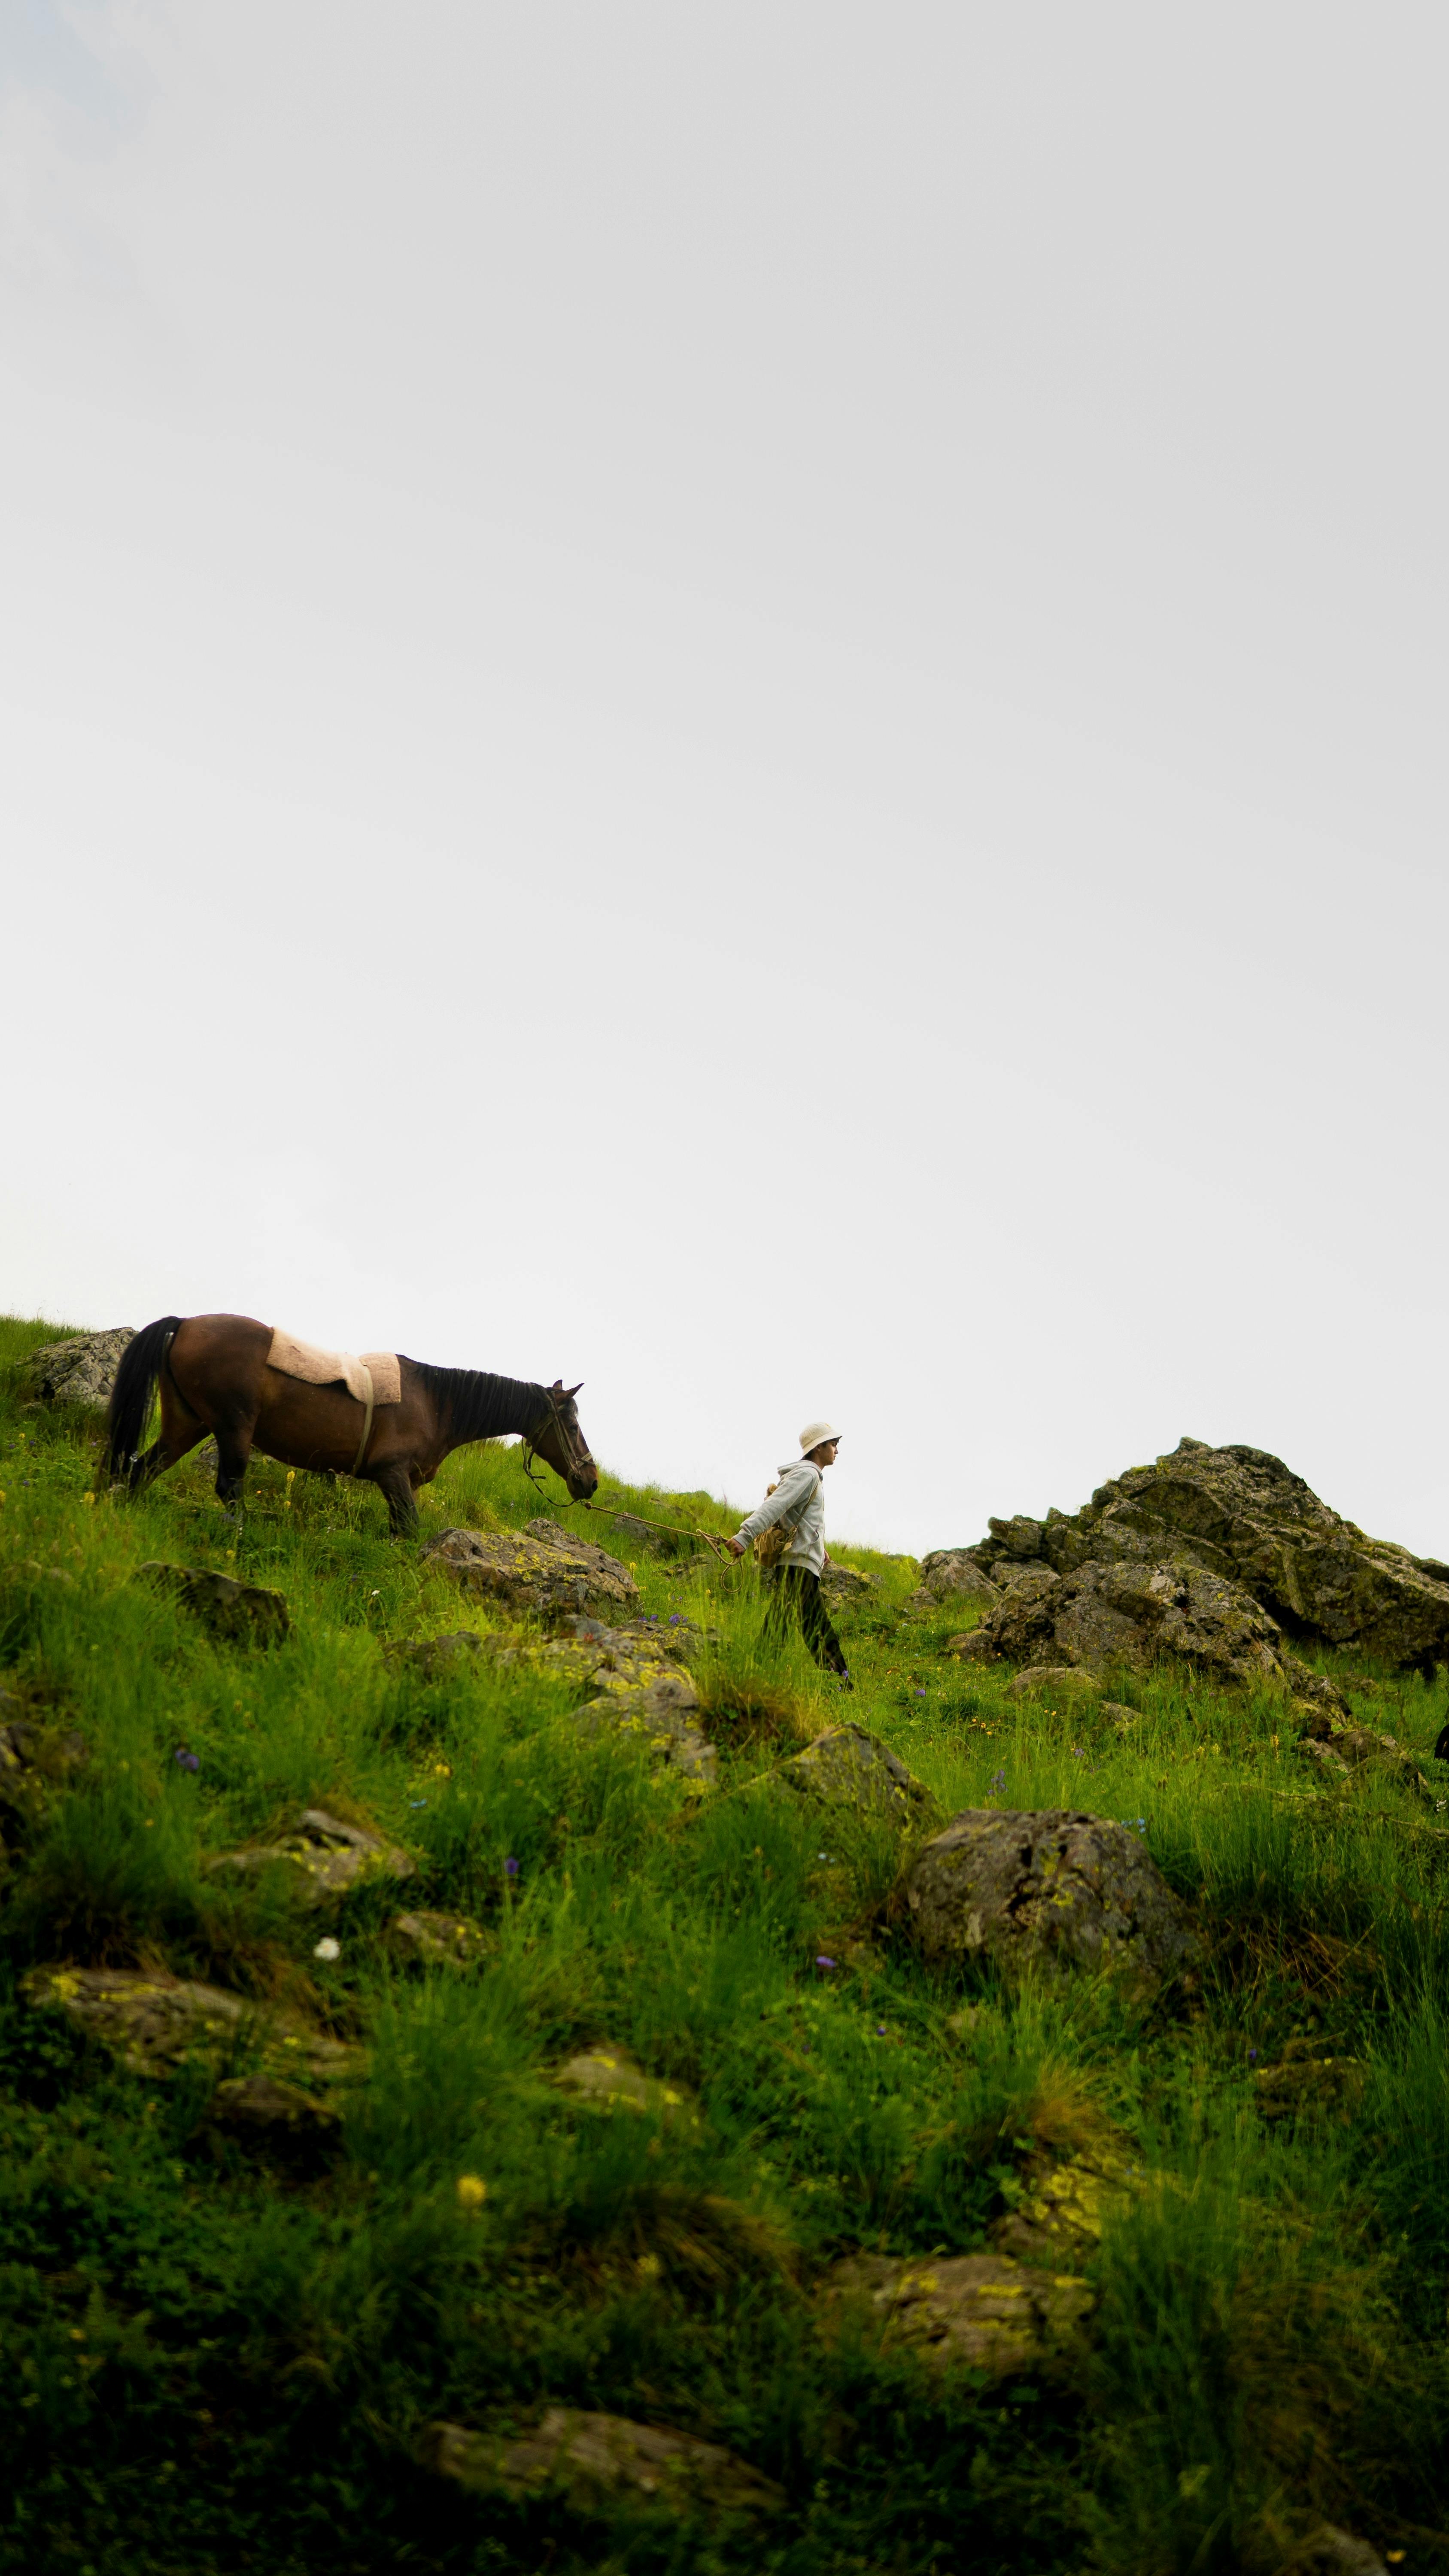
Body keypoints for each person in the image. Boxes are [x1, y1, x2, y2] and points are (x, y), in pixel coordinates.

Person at [723, 1421, 852, 1685]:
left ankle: (757, 1674)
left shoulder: (810, 1476)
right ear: (818, 1448)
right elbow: (776, 1506)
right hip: (798, 1566)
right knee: (815, 1627)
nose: (837, 1450)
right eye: (833, 1444)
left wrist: (819, 1548)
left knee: (782, 1623)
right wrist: (745, 1536)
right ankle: (841, 1684)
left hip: (799, 1563)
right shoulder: (808, 1475)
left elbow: (799, 1519)